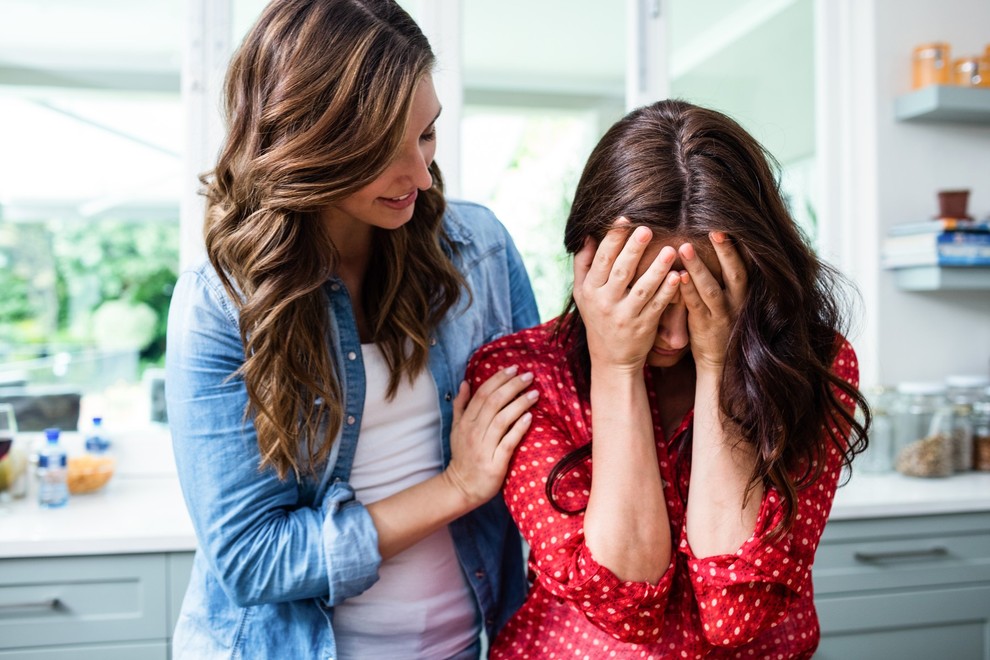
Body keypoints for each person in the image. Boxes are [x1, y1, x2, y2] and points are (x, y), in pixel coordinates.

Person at [164, 1, 540, 658]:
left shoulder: (479, 248)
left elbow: (547, 443)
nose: (422, 176)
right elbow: (254, 560)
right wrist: (457, 486)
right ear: (309, 145)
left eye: (427, 135)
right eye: (384, 152)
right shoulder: (220, 306)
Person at [466, 99, 871, 659]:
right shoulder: (522, 376)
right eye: (646, 296)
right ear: (588, 264)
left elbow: (736, 615)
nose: (677, 336)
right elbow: (623, 604)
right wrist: (616, 366)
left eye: (706, 298)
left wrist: (719, 366)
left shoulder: (813, 362)